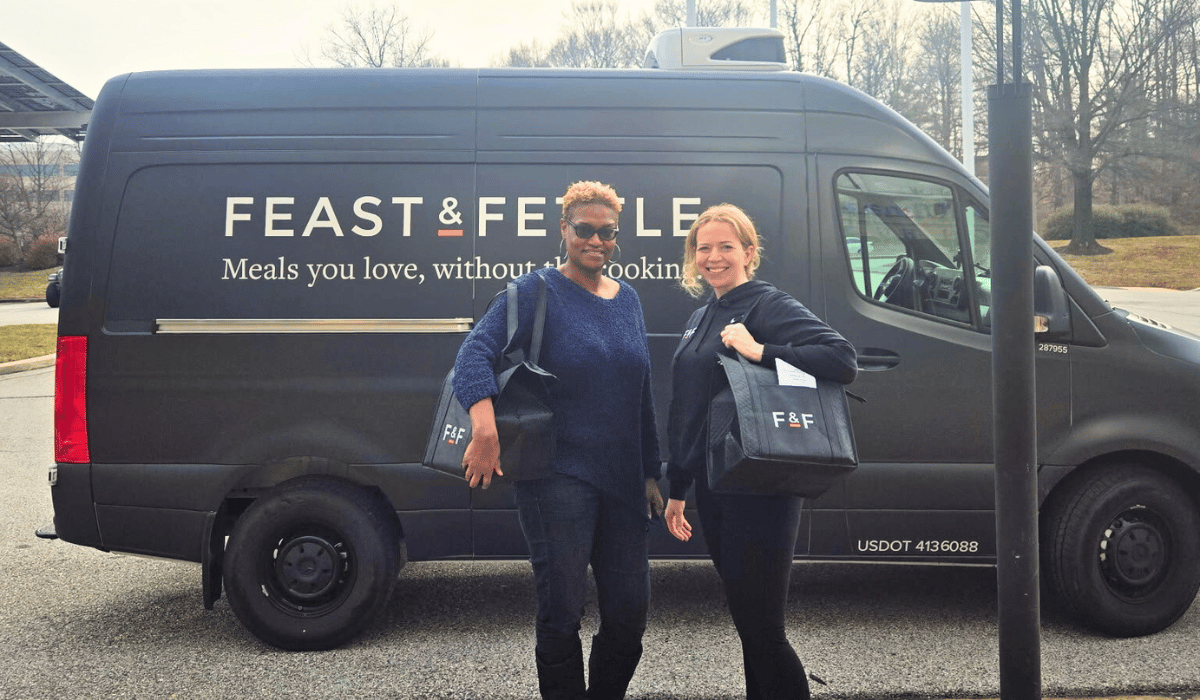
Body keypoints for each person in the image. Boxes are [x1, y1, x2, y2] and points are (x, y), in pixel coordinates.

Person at [452, 181, 664, 700]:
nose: (596, 240)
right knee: (562, 612)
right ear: (564, 229)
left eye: (607, 232)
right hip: (557, 478)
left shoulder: (629, 299)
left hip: (622, 480)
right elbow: (472, 354)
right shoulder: (534, 291)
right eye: (584, 229)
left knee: (629, 615)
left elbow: (641, 392)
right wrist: (485, 429)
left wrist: (650, 472)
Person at [663, 203, 857, 700]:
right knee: (748, 620)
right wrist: (678, 487)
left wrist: (760, 351)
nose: (713, 257)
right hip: (714, 486)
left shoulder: (767, 305)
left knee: (763, 624)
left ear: (749, 252)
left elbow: (841, 359)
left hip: (762, 485)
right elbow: (687, 409)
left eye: (726, 246)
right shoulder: (701, 316)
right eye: (703, 248)